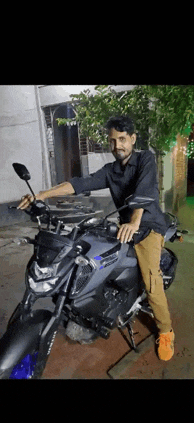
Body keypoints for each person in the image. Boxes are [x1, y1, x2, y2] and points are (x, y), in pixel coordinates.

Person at [18, 115, 174, 361]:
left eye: (122, 140)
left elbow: (146, 190)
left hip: (149, 226)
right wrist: (42, 195)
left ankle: (166, 331)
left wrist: (135, 222)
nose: (117, 146)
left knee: (152, 280)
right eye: (113, 141)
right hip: (125, 224)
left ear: (133, 139)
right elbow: (80, 183)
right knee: (91, 255)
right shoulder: (111, 170)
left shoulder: (146, 159)